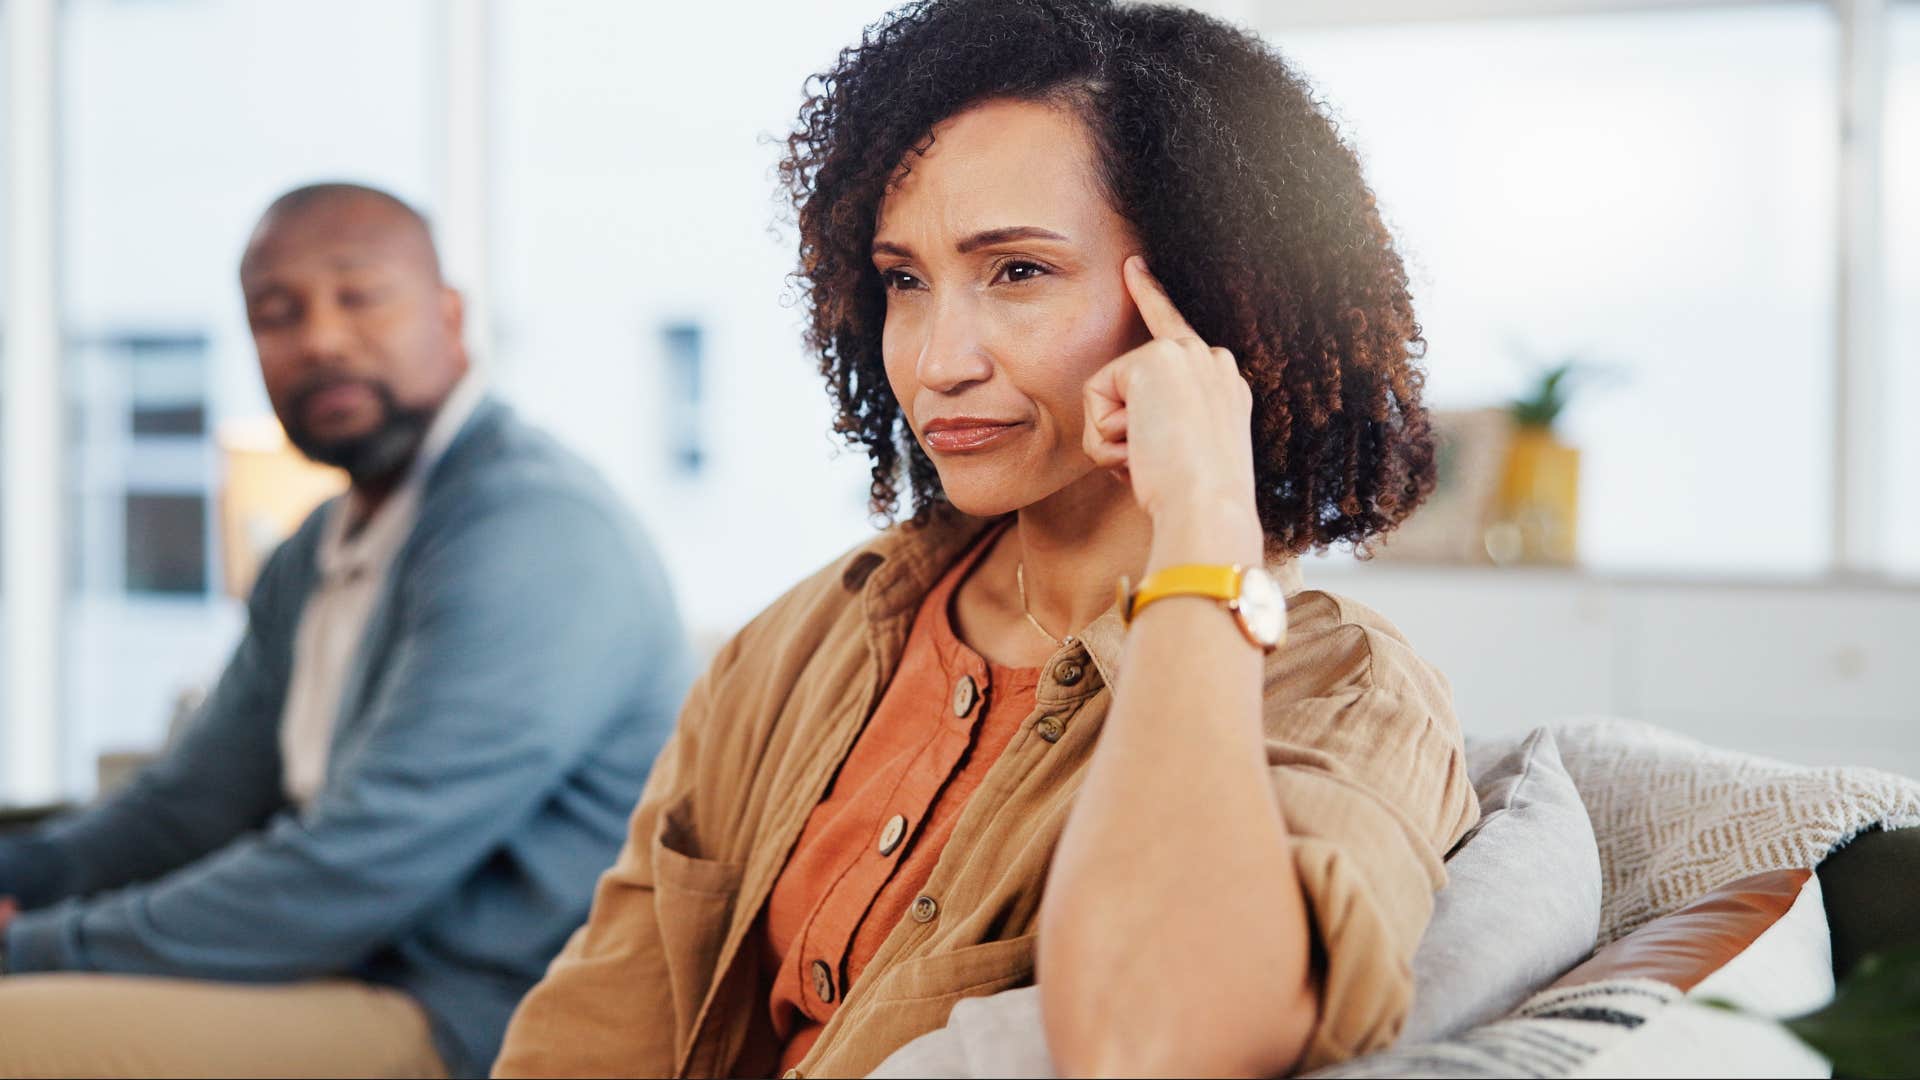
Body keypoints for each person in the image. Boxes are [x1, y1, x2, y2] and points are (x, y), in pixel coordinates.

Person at [493, 1, 1478, 1076]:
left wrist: (1204, 520)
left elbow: (1166, 1042)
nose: (935, 360)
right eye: (905, 281)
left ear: (1199, 304)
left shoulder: (1338, 692)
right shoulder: (806, 639)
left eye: (1017, 272)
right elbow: (593, 1032)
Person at [0, 183, 695, 1079]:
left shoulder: (533, 527)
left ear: (450, 318)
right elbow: (192, 803)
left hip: (484, 1014)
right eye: (276, 314)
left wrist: (37, 944)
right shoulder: (318, 548)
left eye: (360, 295)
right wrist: (21, 880)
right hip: (348, 968)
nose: (320, 339)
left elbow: (356, 867)